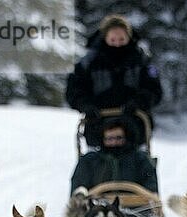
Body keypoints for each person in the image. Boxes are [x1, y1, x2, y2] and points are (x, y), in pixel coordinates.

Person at [66, 14, 162, 145]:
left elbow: (154, 89)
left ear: (129, 37)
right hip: (98, 126)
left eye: (121, 39)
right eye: (113, 40)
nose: (117, 44)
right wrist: (86, 105)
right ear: (105, 38)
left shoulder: (142, 60)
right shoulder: (89, 62)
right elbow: (74, 89)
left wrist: (139, 102)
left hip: (135, 125)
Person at [70, 118, 158, 195]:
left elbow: (151, 186)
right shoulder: (90, 160)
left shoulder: (139, 159)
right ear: (103, 139)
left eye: (118, 138)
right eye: (109, 139)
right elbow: (79, 189)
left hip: (136, 209)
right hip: (97, 209)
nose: (114, 142)